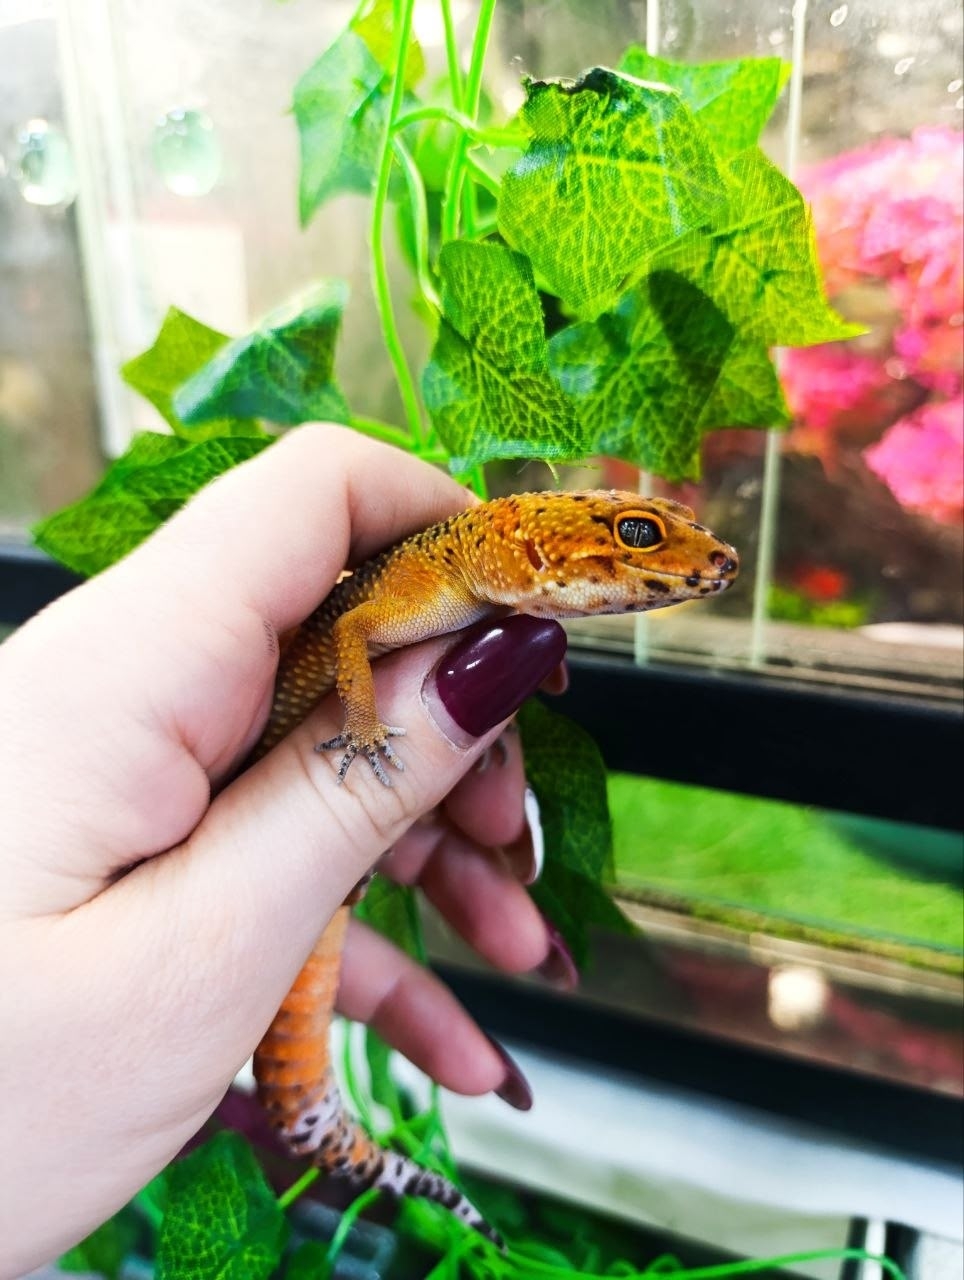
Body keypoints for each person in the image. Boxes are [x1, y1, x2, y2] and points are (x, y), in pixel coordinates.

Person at [0, 425, 577, 1277]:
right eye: (633, 536)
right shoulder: (429, 582)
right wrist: (369, 730)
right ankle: (363, 1149)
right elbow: (355, 634)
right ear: (527, 539)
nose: (664, 560)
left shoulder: (460, 588)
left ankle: (375, 1157)